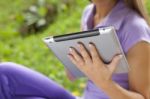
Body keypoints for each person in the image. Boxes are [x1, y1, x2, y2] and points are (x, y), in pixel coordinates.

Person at [0, 0, 150, 99]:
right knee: (4, 73)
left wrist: (104, 82)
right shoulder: (89, 13)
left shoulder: (134, 28)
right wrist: (72, 61)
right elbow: (73, 75)